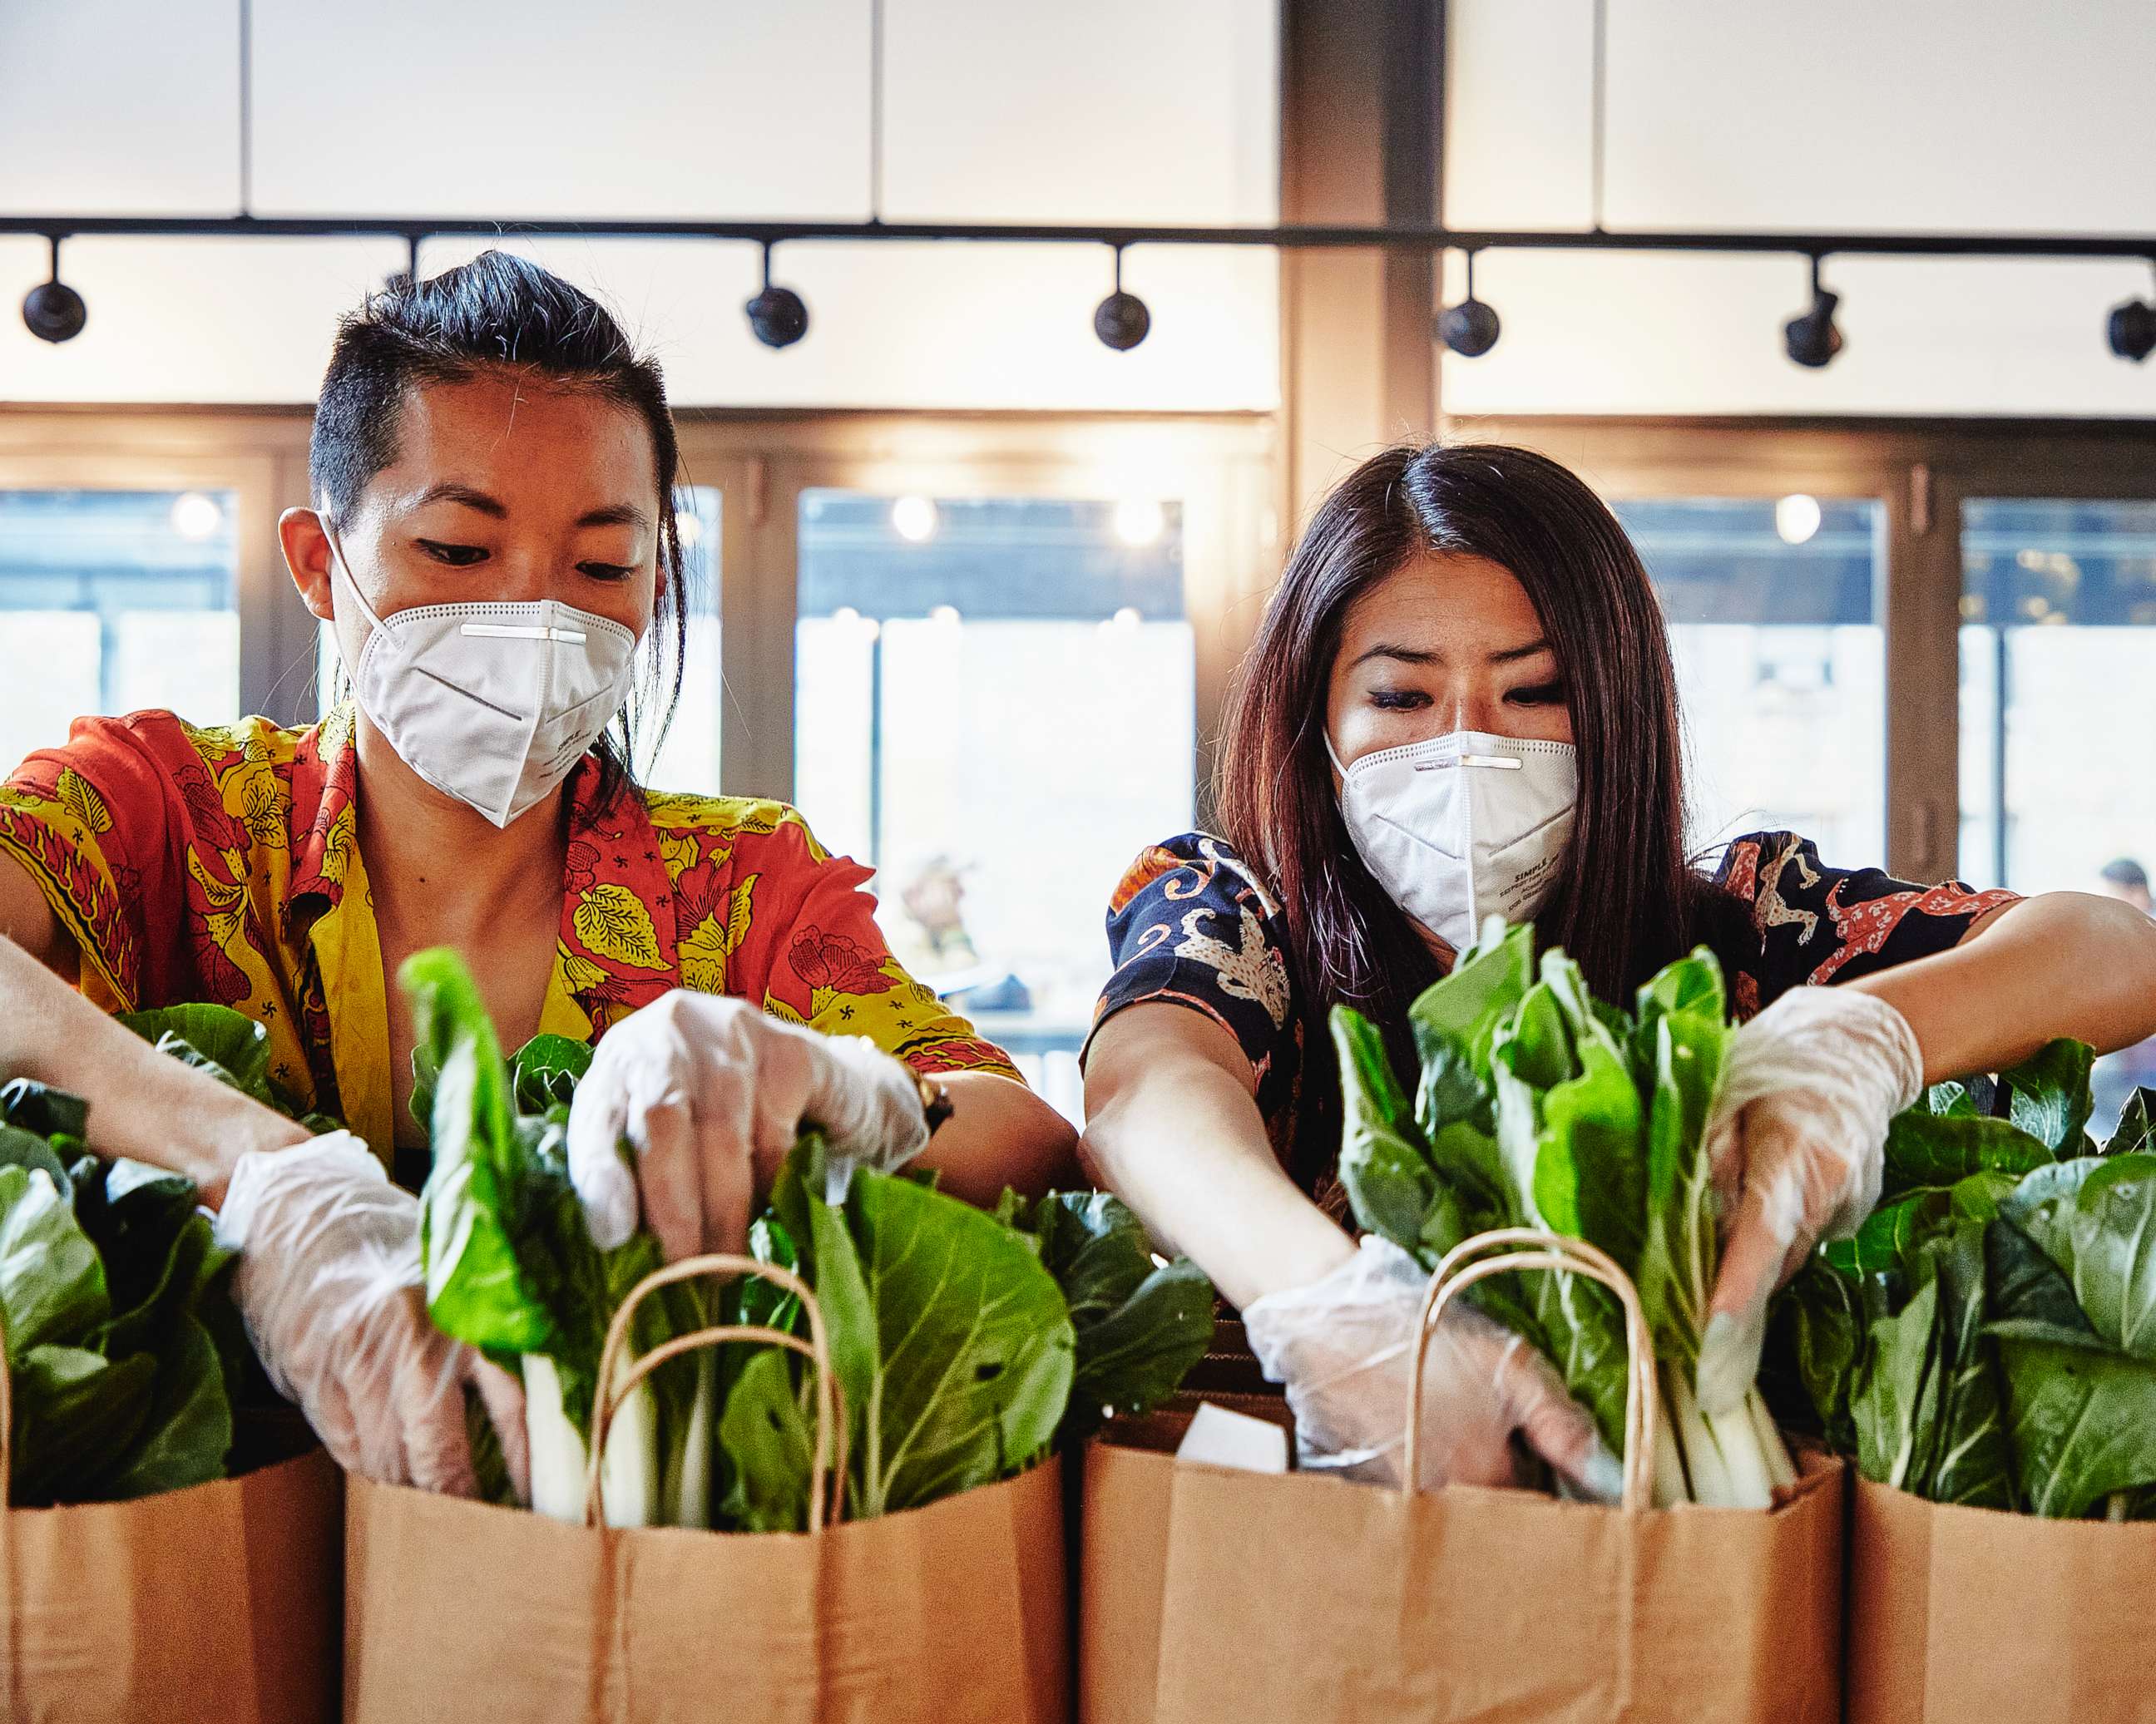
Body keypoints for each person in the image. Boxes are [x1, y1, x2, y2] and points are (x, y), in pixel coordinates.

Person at [0, 253, 1076, 1498]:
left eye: (601, 568)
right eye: (459, 550)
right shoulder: (166, 814)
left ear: (656, 584)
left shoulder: (735, 882)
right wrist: (265, 1170)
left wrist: (836, 1090)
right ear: (315, 563)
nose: (534, 616)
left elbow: (1025, 1137)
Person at [1080, 442, 2156, 1494]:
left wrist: (1864, 1039)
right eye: (1404, 700)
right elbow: (1144, 1097)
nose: (1471, 746)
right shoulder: (1238, 918)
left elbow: (2110, 950)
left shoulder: (1746, 928)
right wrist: (1331, 1308)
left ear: (1617, 710)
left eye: (1536, 691)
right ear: (1317, 719)